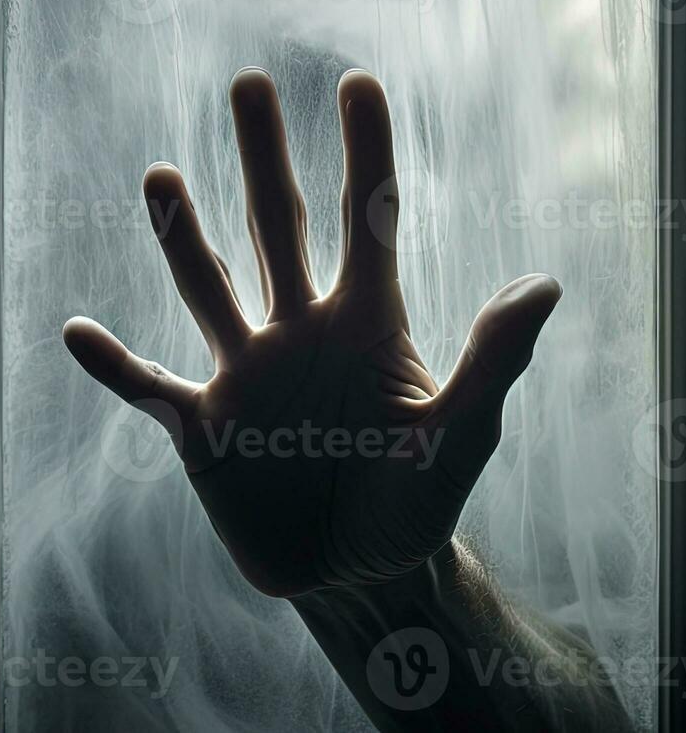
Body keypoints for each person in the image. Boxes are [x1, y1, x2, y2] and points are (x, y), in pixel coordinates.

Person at [63, 67, 633, 731]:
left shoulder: (549, 518)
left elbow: (598, 715)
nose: (324, 307)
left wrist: (388, 585)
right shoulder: (100, 575)